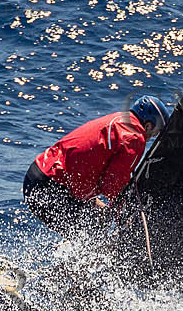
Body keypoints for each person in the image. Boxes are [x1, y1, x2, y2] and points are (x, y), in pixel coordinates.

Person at [22, 95, 170, 234]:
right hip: (50, 186)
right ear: (149, 125)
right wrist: (123, 215)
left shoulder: (119, 120)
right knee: (92, 233)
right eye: (155, 133)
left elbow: (91, 165)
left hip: (40, 176)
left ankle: (77, 257)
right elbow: (112, 184)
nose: (152, 137)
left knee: (99, 220)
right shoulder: (135, 137)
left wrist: (101, 205)